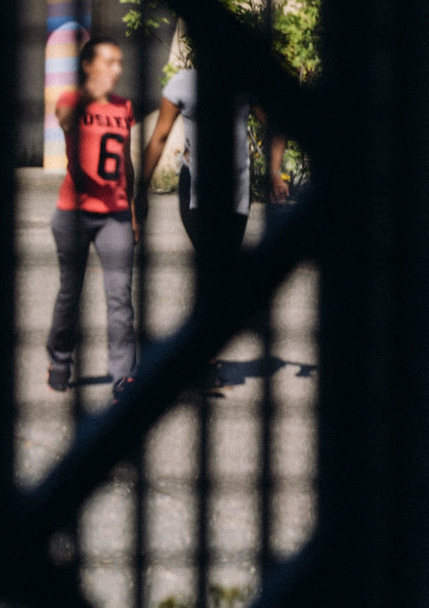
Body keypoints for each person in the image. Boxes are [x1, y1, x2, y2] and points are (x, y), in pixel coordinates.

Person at [46, 37, 140, 400]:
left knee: (120, 297)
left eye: (119, 62)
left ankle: (124, 374)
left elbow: (127, 162)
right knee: (71, 292)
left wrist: (132, 210)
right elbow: (65, 120)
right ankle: (60, 359)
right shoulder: (72, 99)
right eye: (109, 62)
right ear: (88, 65)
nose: (116, 69)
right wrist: (89, 92)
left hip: (115, 214)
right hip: (73, 212)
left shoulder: (124, 106)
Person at [138, 67, 288, 263]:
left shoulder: (244, 82)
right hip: (195, 186)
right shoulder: (183, 82)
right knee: (212, 258)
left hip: (236, 188)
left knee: (226, 259)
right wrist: (141, 189)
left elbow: (276, 126)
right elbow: (160, 136)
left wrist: (274, 172)